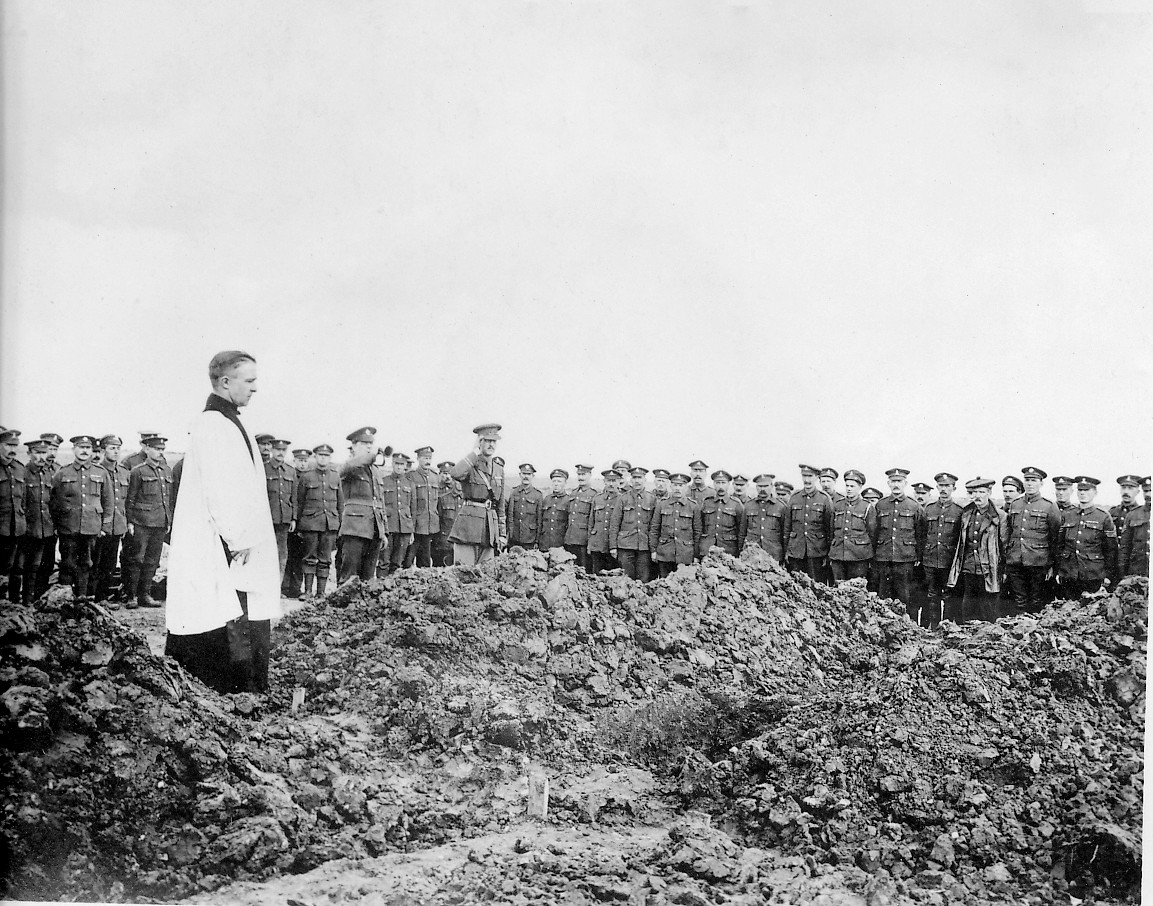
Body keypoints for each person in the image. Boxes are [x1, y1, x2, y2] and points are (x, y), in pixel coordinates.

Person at [165, 350, 281, 694]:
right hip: (226, 545)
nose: (255, 388)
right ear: (225, 382)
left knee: (236, 613)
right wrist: (239, 538)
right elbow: (222, 488)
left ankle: (244, 688)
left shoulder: (230, 419)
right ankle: (234, 692)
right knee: (227, 616)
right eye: (250, 380)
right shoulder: (214, 424)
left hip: (234, 542)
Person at [50, 435, 114, 601]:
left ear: (92, 451)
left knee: (86, 564)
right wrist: (56, 525)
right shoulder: (63, 472)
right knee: (67, 564)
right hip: (68, 527)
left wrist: (105, 527)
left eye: (87, 448)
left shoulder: (101, 472)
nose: (84, 451)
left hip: (91, 527)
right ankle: (64, 600)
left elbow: (108, 500)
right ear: (74, 450)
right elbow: (53, 500)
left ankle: (82, 598)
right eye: (81, 448)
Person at [1001, 466, 1061, 616]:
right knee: (1018, 601)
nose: (1029, 484)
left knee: (1036, 602)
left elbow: (1055, 538)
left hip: (1038, 562)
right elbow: (1009, 532)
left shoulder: (1049, 506)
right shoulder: (1015, 504)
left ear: (1041, 483)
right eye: (1027, 480)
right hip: (1015, 561)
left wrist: (1053, 565)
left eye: (1033, 480)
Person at [124, 435, 174, 608]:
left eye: (162, 449)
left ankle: (145, 594)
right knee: (136, 559)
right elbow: (130, 499)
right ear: (147, 449)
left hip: (160, 522)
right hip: (141, 522)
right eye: (156, 449)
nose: (159, 452)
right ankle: (132, 596)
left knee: (153, 560)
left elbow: (168, 498)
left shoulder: (166, 471)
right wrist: (130, 522)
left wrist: (168, 520)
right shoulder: (138, 471)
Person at [448, 423, 507, 565]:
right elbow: (455, 473)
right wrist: (474, 452)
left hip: (489, 530)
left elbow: (500, 507)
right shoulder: (471, 464)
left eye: (494, 441)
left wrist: (502, 534)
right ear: (479, 442)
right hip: (468, 528)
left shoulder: (499, 470)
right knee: (464, 572)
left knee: (486, 576)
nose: (491, 444)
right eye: (487, 440)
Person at [948, 477, 1004, 622]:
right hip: (968, 568)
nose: (977, 496)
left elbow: (1004, 546)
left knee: (988, 609)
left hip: (989, 569)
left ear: (989, 493)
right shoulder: (966, 514)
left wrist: (1003, 570)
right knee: (968, 608)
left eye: (982, 491)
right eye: (974, 492)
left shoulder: (999, 516)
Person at [338, 427, 390, 583]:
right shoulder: (349, 466)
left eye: (371, 443)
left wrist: (384, 531)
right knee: (349, 577)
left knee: (368, 578)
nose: (369, 446)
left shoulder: (375, 470)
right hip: (355, 528)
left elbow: (380, 502)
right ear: (353, 445)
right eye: (364, 443)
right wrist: (373, 455)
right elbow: (355, 463)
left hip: (374, 528)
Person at [872, 468, 926, 619]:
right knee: (883, 597)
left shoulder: (914, 506)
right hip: (884, 558)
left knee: (905, 597)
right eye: (893, 481)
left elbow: (921, 533)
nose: (896, 484)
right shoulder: (881, 505)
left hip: (905, 558)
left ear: (905, 483)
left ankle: (906, 629)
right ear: (888, 483)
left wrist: (918, 557)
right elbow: (874, 532)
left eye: (899, 481)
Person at [1055, 477, 1118, 598]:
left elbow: (1111, 549)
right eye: (1080, 490)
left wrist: (1108, 575)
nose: (1083, 493)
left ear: (1095, 492)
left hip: (1093, 573)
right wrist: (1059, 570)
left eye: (1087, 490)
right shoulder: (1068, 515)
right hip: (1068, 573)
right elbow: (1060, 545)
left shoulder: (1103, 516)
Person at [296, 443, 344, 595]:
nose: (323, 458)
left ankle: (321, 593)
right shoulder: (307, 476)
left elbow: (340, 502)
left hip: (330, 524)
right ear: (315, 457)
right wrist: (298, 524)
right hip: (310, 523)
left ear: (330, 458)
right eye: (320, 455)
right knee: (309, 557)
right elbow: (300, 502)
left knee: (325, 559)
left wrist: (340, 524)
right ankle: (308, 591)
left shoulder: (336, 476)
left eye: (326, 455)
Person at [15, 439, 54, 605]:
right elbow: (20, 501)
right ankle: (17, 601)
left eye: (43, 453)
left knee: (36, 567)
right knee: (20, 567)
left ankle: (32, 600)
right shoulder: (23, 473)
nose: (41, 457)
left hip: (43, 528)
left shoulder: (47, 474)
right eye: (37, 453)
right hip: (26, 528)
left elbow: (51, 502)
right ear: (29, 454)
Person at [93, 434, 131, 603]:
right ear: (102, 451)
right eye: (111, 448)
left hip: (117, 526)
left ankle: (104, 597)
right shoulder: (96, 471)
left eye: (118, 448)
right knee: (95, 563)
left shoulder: (124, 473)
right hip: (99, 526)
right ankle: (93, 596)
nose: (116, 452)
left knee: (109, 563)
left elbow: (126, 501)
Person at [922, 472, 963, 625]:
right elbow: (922, 534)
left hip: (949, 560)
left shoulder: (959, 511)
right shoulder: (929, 509)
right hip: (930, 558)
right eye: (941, 486)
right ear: (937, 487)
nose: (944, 489)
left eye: (947, 486)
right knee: (932, 595)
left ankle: (945, 627)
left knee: (949, 596)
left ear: (954, 488)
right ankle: (933, 627)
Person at [783, 464, 834, 583]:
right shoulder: (794, 498)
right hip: (796, 552)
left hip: (816, 553)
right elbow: (787, 527)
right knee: (796, 587)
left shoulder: (824, 499)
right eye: (804, 476)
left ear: (817, 477)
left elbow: (829, 530)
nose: (807, 480)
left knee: (816, 586)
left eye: (810, 476)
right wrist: (786, 551)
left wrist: (827, 554)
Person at [649, 473, 702, 578]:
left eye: (681, 485)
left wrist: (696, 555)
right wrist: (653, 551)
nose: (677, 488)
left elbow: (697, 532)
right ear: (670, 486)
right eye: (675, 485)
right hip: (665, 554)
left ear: (686, 487)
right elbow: (655, 529)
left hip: (685, 555)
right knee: (665, 586)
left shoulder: (693, 506)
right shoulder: (662, 504)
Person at [828, 469, 876, 584]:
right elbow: (831, 530)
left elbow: (873, 533)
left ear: (859, 487)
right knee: (838, 590)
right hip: (838, 555)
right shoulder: (837, 505)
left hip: (859, 557)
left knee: (856, 591)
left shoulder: (867, 507)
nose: (849, 489)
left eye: (852, 486)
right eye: (847, 486)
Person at [609, 466, 655, 581]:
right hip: (625, 546)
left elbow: (655, 525)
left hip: (644, 546)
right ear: (630, 479)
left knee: (643, 580)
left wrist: (653, 548)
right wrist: (613, 547)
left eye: (640, 478)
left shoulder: (652, 499)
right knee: (626, 580)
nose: (637, 481)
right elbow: (615, 523)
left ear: (645, 480)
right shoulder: (623, 498)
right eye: (634, 477)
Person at [262, 438, 297, 586]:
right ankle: (265, 586)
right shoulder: (263, 469)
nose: (281, 453)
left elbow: (294, 497)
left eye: (283, 450)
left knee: (282, 556)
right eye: (278, 450)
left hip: (284, 520)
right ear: (271, 450)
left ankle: (277, 587)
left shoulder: (290, 471)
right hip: (267, 520)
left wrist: (294, 518)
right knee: (265, 555)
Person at [0, 429, 27, 598]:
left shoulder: (19, 468)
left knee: (16, 568)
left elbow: (23, 499)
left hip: (16, 527)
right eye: (8, 445)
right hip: (0, 528)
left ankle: (15, 605)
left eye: (15, 446)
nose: (12, 449)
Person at [404, 446, 440, 568]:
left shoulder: (435, 477)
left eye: (429, 458)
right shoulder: (411, 476)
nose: (428, 461)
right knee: (407, 560)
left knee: (425, 562)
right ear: (418, 458)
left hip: (429, 526)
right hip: (415, 525)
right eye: (425, 458)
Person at [740, 473, 787, 563]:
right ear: (756, 487)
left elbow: (784, 534)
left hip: (773, 556)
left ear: (772, 486)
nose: (763, 489)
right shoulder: (749, 505)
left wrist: (784, 554)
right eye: (760, 486)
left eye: (766, 486)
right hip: (752, 555)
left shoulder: (781, 507)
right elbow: (742, 532)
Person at [381, 451, 414, 574]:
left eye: (402, 464)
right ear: (392, 464)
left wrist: (412, 531)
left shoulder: (410, 484)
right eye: (396, 464)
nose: (399, 467)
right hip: (388, 527)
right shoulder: (384, 481)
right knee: (384, 562)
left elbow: (413, 508)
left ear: (405, 465)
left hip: (404, 528)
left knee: (397, 563)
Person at [699, 469, 744, 557]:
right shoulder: (707, 502)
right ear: (714, 484)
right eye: (718, 483)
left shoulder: (736, 504)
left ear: (728, 484)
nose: (720, 486)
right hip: (708, 549)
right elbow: (700, 526)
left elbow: (741, 530)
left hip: (728, 550)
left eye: (723, 483)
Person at [587, 468, 622, 574]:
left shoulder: (622, 499)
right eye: (608, 481)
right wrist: (589, 544)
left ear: (619, 482)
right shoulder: (597, 499)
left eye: (614, 481)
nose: (611, 484)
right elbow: (591, 523)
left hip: (613, 546)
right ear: (604, 482)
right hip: (597, 544)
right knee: (596, 577)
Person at [563, 464, 597, 570]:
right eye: (579, 474)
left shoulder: (594, 494)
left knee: (583, 571)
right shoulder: (573, 493)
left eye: (584, 474)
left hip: (583, 541)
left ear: (590, 475)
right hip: (570, 539)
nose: (581, 477)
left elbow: (593, 520)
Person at [1117, 475, 1149, 579]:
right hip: (1135, 571)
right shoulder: (1133, 514)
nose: (1148, 494)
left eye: (1130, 488)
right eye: (1146, 491)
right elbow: (1125, 548)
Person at [506, 464, 545, 550]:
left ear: (533, 476)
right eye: (524, 474)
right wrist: (509, 535)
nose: (526, 477)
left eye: (529, 474)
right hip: (514, 538)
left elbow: (539, 520)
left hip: (530, 539)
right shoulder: (514, 492)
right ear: (520, 475)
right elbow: (510, 515)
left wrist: (537, 541)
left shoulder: (538, 495)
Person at [434, 461, 462, 566]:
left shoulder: (459, 490)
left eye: (450, 474)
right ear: (440, 474)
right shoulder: (435, 491)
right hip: (441, 539)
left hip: (456, 538)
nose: (448, 477)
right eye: (445, 474)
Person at [540, 469, 572, 552]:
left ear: (565, 483)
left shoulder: (569, 500)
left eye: (559, 481)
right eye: (554, 481)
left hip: (560, 545)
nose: (556, 484)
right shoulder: (546, 499)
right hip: (544, 544)